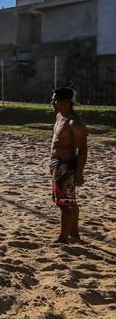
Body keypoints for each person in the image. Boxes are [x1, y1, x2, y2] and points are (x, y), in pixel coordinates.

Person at [49, 87, 88, 244]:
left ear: (66, 102)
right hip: (57, 164)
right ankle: (74, 234)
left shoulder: (74, 123)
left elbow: (83, 149)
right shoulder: (60, 116)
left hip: (66, 165)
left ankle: (63, 238)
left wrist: (79, 172)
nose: (52, 102)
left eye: (55, 100)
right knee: (69, 201)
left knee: (64, 203)